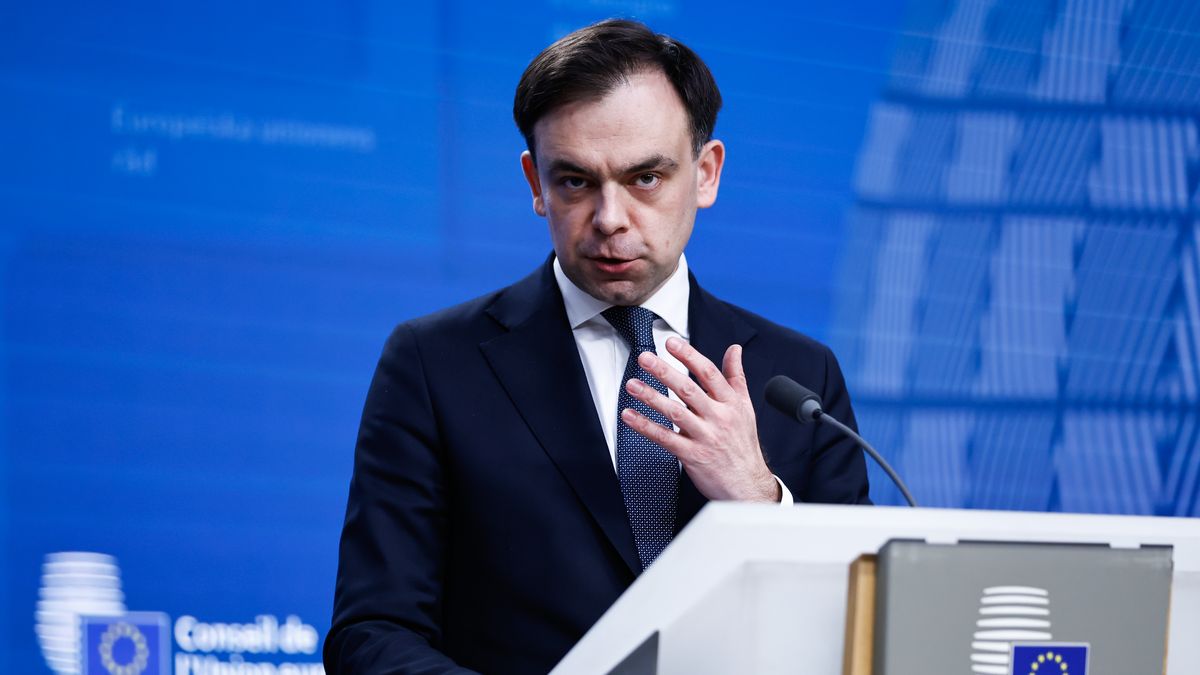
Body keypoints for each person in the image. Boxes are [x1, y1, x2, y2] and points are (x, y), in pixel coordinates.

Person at [324, 19, 871, 675]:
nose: (610, 218)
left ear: (706, 172)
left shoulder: (800, 379)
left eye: (645, 178)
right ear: (535, 182)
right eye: (576, 181)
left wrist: (759, 503)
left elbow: (860, 635)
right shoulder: (434, 363)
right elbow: (372, 633)